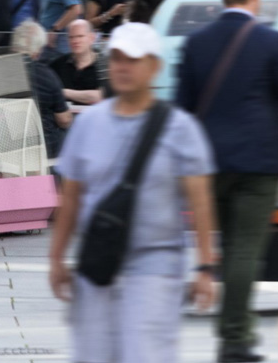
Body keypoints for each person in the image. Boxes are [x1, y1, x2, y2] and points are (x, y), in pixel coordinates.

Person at [178, 0, 278, 363]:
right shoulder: (270, 41)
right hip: (260, 160)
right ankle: (234, 340)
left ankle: (237, 332)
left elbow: (182, 111)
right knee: (246, 250)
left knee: (228, 248)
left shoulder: (196, 44)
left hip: (211, 163)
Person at [50, 22, 217, 362]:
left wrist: (205, 267)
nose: (123, 67)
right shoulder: (88, 124)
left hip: (155, 265)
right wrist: (56, 259)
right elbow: (71, 198)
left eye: (133, 59)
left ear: (154, 67)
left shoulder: (180, 128)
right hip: (97, 263)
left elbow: (201, 201)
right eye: (116, 58)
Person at [12, 21, 72, 158]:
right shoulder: (47, 76)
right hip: (43, 151)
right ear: (38, 51)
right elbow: (64, 119)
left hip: (7, 149)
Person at [51, 19, 106, 106]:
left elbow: (103, 96)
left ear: (92, 38)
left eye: (80, 36)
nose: (75, 41)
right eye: (71, 37)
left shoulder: (105, 63)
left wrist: (64, 92)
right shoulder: (57, 64)